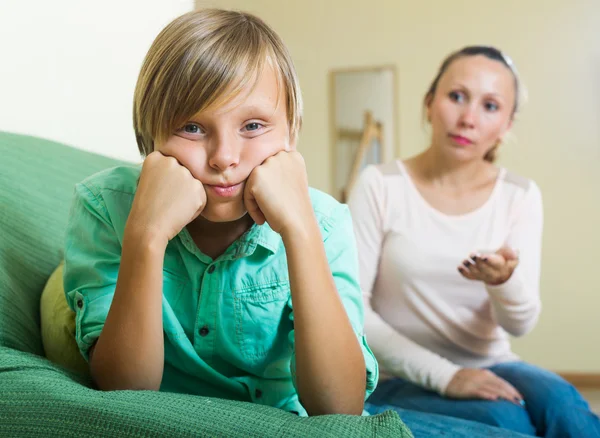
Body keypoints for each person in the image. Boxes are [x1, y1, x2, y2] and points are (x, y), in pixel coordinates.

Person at [63, 8, 375, 418]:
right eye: (192, 127)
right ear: (149, 135)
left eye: (253, 126)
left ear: (291, 131)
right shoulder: (104, 207)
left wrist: (300, 231)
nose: (225, 158)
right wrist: (147, 235)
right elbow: (125, 392)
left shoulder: (327, 221)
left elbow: (340, 408)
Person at [351, 46, 600, 437]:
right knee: (506, 420)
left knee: (567, 409)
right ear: (430, 102)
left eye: (490, 106)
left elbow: (520, 324)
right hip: (398, 372)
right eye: (456, 97)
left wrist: (502, 282)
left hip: (495, 363)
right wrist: (448, 376)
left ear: (506, 125)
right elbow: (354, 312)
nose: (468, 119)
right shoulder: (380, 185)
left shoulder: (520, 194)